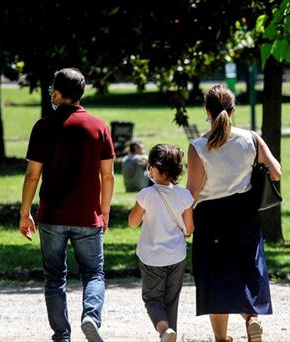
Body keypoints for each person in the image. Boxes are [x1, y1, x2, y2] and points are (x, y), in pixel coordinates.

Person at [19, 68, 115, 342]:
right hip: (87, 214)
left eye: (53, 91)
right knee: (94, 273)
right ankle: (90, 317)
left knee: (54, 277)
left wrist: (25, 213)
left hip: (52, 215)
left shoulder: (43, 126)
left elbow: (32, 175)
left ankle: (62, 335)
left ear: (58, 94)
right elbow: (107, 175)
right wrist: (104, 211)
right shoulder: (99, 126)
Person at [186, 84, 282, 342]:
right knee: (247, 267)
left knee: (215, 275)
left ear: (206, 110)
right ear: (233, 109)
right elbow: (276, 172)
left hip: (210, 217)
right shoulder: (250, 138)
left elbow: (192, 193)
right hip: (244, 213)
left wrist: (183, 221)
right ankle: (252, 319)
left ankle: (221, 338)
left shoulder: (198, 146)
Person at [128, 144, 195, 342]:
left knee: (152, 298)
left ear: (155, 169)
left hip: (151, 257)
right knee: (171, 299)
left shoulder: (146, 195)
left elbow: (132, 223)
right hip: (176, 255)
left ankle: (164, 330)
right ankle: (170, 332)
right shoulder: (185, 196)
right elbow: (190, 229)